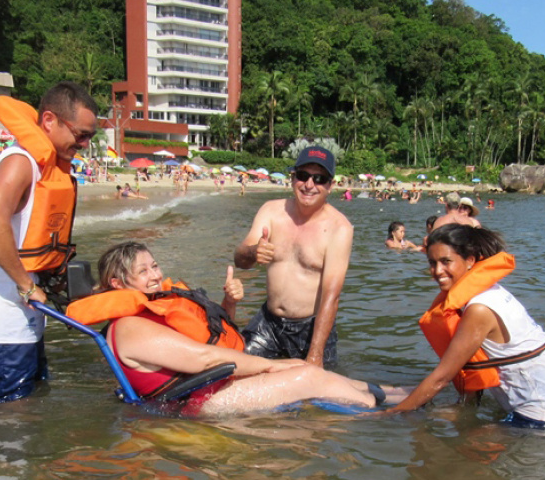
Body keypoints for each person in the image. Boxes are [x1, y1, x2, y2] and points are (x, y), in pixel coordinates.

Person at [66, 242, 410, 415]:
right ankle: (389, 416)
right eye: (144, 272)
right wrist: (274, 365)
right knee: (305, 375)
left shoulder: (152, 311)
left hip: (211, 387)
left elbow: (204, 340)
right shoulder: (129, 327)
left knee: (306, 370)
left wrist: (228, 305)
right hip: (197, 404)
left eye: (155, 266)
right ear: (117, 282)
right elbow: (202, 358)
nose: (156, 275)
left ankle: (391, 393)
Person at [0, 82, 98, 404]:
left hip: (23, 313)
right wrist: (25, 285)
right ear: (49, 121)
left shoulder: (46, 166)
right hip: (2, 317)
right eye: (80, 134)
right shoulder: (21, 161)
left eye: (89, 137)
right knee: (9, 419)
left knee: (30, 404)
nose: (84, 144)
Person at [384, 224, 545, 428]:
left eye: (446, 261)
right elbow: (473, 362)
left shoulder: (479, 309)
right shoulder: (490, 292)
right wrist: (462, 407)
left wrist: (390, 415)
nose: (437, 271)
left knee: (468, 450)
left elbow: (442, 378)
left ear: (470, 260)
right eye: (432, 263)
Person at [234, 146, 352, 367]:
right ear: (293, 178)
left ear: (330, 185)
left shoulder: (340, 228)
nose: (309, 185)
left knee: (314, 398)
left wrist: (315, 355)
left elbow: (331, 297)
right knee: (234, 368)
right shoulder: (271, 211)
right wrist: (252, 252)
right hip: (268, 322)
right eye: (303, 176)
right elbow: (240, 260)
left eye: (319, 178)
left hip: (310, 329)